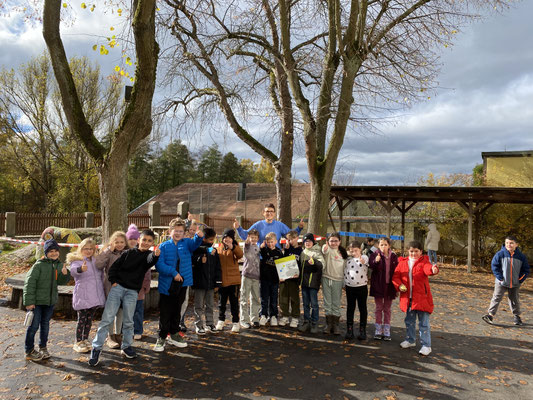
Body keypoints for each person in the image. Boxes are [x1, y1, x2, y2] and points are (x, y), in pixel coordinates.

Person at [88, 230, 160, 366]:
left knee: (128, 321)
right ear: (138, 240)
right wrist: (113, 281)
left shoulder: (148, 256)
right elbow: (114, 268)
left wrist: (155, 255)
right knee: (107, 319)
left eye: (149, 241)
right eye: (144, 240)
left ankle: (126, 346)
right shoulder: (128, 253)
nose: (146, 243)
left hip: (132, 292)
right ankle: (96, 348)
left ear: (152, 243)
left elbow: (150, 261)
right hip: (118, 288)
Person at [153, 218, 203, 352]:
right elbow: (159, 265)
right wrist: (173, 272)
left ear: (184, 232)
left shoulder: (187, 243)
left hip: (182, 283)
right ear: (170, 231)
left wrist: (199, 236)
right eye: (175, 231)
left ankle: (174, 333)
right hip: (167, 284)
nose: (178, 233)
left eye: (181, 231)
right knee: (165, 311)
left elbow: (196, 243)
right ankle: (162, 336)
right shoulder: (163, 246)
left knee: (177, 310)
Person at [23, 239, 70, 362]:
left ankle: (43, 347)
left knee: (45, 325)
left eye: (56, 251)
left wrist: (65, 274)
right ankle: (29, 350)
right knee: (33, 326)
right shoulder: (38, 265)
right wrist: (29, 302)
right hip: (37, 303)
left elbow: (61, 282)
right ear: (46, 253)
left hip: (49, 302)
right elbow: (29, 283)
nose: (54, 253)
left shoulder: (58, 265)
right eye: (51, 251)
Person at [392, 240, 439, 356]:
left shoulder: (424, 261)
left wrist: (433, 270)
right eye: (411, 251)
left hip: (422, 299)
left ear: (421, 252)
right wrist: (399, 285)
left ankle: (426, 345)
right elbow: (396, 277)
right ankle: (410, 340)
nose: (413, 254)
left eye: (416, 251)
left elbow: (428, 269)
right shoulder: (402, 263)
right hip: (408, 299)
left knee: (424, 323)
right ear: (408, 251)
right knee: (409, 321)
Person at [67, 238, 105, 353]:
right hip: (83, 294)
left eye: (91, 249)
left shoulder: (96, 261)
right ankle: (78, 341)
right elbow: (73, 271)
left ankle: (85, 339)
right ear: (81, 249)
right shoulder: (77, 260)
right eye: (86, 249)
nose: (88, 251)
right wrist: (80, 269)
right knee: (82, 319)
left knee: (89, 319)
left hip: (94, 294)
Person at [482, 235, 529, 326]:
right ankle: (490, 315)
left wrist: (519, 279)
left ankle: (517, 317)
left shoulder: (521, 257)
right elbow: (494, 266)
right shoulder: (500, 254)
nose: (509, 245)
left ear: (516, 245)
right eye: (507, 243)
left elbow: (525, 270)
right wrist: (500, 278)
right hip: (501, 282)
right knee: (496, 297)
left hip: (515, 283)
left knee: (514, 299)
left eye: (511, 243)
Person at [95, 230, 129, 349]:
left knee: (121, 311)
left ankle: (118, 334)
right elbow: (98, 264)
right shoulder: (109, 253)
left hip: (125, 286)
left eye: (121, 242)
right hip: (111, 286)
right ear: (112, 243)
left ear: (125, 243)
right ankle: (109, 336)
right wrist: (108, 250)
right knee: (110, 312)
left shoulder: (128, 253)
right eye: (116, 242)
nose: (119, 244)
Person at [192, 227, 222, 334]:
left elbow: (218, 267)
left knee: (210, 305)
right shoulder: (196, 248)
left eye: (213, 239)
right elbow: (192, 260)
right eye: (210, 240)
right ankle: (199, 325)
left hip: (211, 283)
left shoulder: (214, 251)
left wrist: (218, 282)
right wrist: (200, 259)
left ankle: (210, 323)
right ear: (204, 239)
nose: (212, 242)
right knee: (199, 305)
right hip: (199, 282)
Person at [233, 203, 304, 247]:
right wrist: (238, 228)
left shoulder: (280, 225)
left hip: (276, 257)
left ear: (274, 213)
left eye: (271, 211)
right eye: (267, 211)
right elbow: (245, 236)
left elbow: (291, 236)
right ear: (263, 213)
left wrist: (299, 228)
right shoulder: (258, 225)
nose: (269, 213)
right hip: (261, 258)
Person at [368, 237, 399, 340]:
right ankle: (378, 329)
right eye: (381, 244)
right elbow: (371, 266)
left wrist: (397, 286)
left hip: (390, 286)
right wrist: (376, 261)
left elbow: (397, 271)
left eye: (385, 244)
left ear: (389, 245)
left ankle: (386, 329)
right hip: (378, 285)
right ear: (378, 245)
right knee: (378, 308)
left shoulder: (393, 256)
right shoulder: (374, 255)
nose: (383, 246)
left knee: (387, 309)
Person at [215, 228, 244, 332]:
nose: (227, 239)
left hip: (234, 281)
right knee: (221, 303)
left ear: (232, 239)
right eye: (225, 237)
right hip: (222, 281)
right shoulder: (219, 248)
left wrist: (232, 247)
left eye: (229, 237)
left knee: (234, 303)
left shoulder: (235, 247)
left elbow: (240, 255)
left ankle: (235, 322)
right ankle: (220, 320)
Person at [321, 232, 348, 335]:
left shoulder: (343, 253)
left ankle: (336, 325)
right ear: (328, 241)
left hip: (338, 280)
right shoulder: (327, 249)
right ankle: (328, 325)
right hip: (326, 278)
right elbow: (324, 250)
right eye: (331, 241)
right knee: (327, 302)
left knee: (336, 303)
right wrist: (325, 246)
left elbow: (345, 267)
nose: (334, 243)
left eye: (336, 241)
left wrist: (344, 281)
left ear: (339, 241)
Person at [298, 233, 324, 334]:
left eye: (309, 241)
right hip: (304, 283)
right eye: (305, 241)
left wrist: (315, 262)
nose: (307, 243)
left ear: (313, 242)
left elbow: (322, 265)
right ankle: (306, 321)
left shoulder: (317, 252)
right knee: (305, 304)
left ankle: (314, 323)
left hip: (313, 283)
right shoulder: (302, 253)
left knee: (314, 304)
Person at [344, 241, 369, 341]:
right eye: (352, 251)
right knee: (350, 308)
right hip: (350, 287)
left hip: (362, 287)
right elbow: (345, 272)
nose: (354, 253)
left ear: (360, 250)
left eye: (356, 250)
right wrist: (344, 283)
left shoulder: (364, 257)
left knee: (362, 308)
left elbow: (365, 260)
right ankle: (349, 329)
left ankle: (362, 330)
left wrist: (363, 260)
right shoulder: (348, 260)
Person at [259, 232, 284, 327]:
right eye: (268, 242)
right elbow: (264, 257)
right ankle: (264, 315)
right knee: (264, 299)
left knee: (274, 299)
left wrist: (281, 276)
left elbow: (282, 265)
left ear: (276, 241)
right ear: (266, 242)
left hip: (274, 280)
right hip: (264, 279)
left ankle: (273, 316)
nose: (270, 244)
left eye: (272, 242)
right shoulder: (264, 250)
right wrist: (262, 248)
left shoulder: (279, 252)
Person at [280, 230, 303, 328]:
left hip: (294, 279)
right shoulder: (286, 249)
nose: (291, 241)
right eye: (289, 239)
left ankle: (295, 317)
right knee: (283, 298)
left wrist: (299, 276)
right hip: (285, 279)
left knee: (294, 299)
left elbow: (302, 266)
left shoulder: (301, 251)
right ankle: (285, 316)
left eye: (292, 239)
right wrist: (286, 251)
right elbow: (282, 263)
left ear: (297, 238)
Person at [239, 229, 261, 329]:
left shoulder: (258, 248)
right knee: (244, 298)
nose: (253, 239)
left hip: (256, 276)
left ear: (258, 239)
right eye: (252, 237)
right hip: (247, 275)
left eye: (255, 238)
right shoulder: (247, 246)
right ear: (249, 237)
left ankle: (254, 318)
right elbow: (246, 245)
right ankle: (244, 320)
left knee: (255, 298)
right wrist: (247, 241)